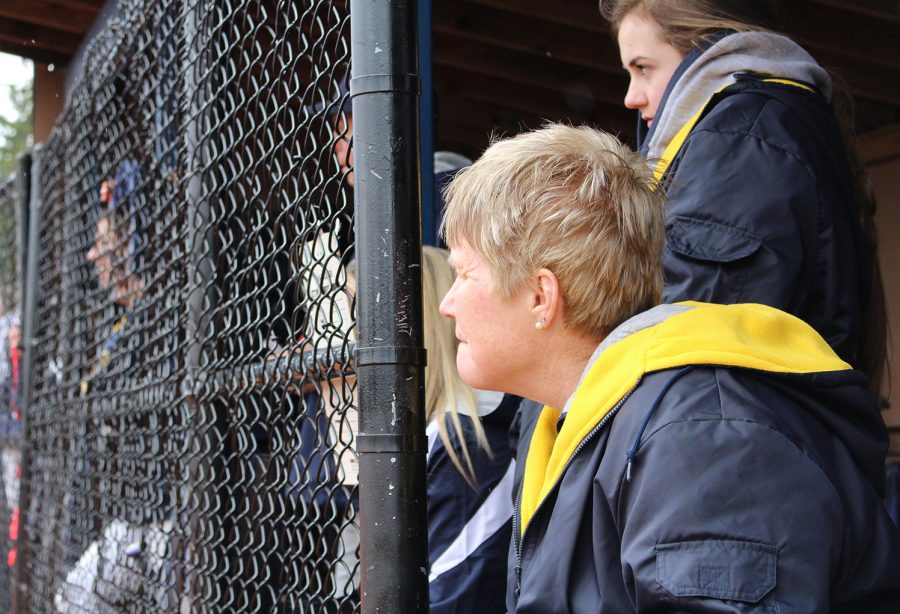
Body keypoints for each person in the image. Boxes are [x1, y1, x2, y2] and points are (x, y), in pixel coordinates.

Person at [438, 123, 900, 612]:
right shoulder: (571, 419)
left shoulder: (704, 439)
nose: (447, 304)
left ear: (540, 296)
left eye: (464, 273)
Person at [598, 0, 887, 396]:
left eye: (644, 68)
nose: (632, 97)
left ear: (707, 51)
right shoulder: (768, 124)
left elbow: (691, 345)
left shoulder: (742, 139)